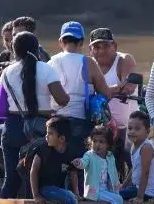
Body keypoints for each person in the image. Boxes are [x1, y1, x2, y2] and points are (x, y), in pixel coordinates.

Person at [0, 32, 70, 199]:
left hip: (12, 127)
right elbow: (62, 99)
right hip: (41, 130)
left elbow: (0, 106)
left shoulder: (6, 72)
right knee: (38, 179)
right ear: (37, 49)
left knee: (12, 179)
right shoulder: (47, 70)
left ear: (14, 51)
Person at [48, 21, 121, 159]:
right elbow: (105, 94)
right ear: (81, 42)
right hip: (80, 122)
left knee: (57, 164)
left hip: (55, 123)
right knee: (79, 166)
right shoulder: (88, 62)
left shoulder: (50, 62)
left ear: (60, 42)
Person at [28, 116, 100, 204]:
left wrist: (77, 193)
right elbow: (33, 172)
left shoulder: (69, 151)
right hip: (44, 188)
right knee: (70, 198)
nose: (46, 136)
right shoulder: (43, 149)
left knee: (73, 200)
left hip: (58, 189)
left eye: (50, 134)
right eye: (47, 133)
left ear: (61, 139)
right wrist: (36, 195)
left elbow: (73, 173)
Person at [73, 125, 128, 204]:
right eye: (94, 141)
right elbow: (83, 163)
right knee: (117, 200)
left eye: (101, 142)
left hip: (106, 191)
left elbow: (113, 174)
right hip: (95, 191)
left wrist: (116, 187)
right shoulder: (89, 155)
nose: (97, 144)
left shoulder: (110, 156)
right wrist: (79, 163)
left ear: (108, 144)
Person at [89, 27, 139, 156]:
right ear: (90, 50)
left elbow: (129, 88)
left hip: (127, 127)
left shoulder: (124, 59)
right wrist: (116, 87)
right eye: (96, 47)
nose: (101, 51)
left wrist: (101, 91)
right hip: (101, 128)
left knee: (130, 163)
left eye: (105, 46)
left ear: (114, 46)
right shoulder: (89, 64)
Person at [118, 110, 154, 204]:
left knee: (117, 198)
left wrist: (140, 197)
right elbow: (133, 169)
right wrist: (123, 185)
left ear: (147, 132)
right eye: (130, 128)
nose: (132, 132)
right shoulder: (134, 145)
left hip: (146, 190)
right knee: (118, 193)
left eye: (137, 129)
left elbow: (145, 173)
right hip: (138, 186)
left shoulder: (146, 147)